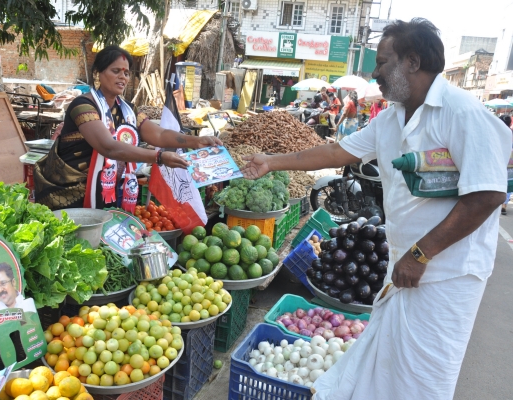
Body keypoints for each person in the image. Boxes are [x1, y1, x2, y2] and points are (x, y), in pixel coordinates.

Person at [241, 18, 510, 399]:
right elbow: (336, 151)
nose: (375, 72)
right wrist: (271, 160)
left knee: (424, 378)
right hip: (403, 266)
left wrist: (421, 254)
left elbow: (486, 195)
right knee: (388, 372)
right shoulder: (391, 118)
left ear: (412, 62)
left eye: (383, 62)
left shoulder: (463, 114)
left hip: (447, 274)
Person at [34, 45, 221, 210]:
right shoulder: (82, 105)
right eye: (116, 71)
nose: (122, 77)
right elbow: (108, 147)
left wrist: (196, 141)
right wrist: (158, 157)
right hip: (71, 192)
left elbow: (159, 134)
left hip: (109, 188)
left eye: (126, 72)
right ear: (98, 72)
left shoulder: (128, 110)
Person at [498, 114, 513, 215]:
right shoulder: (511, 133)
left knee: (499, 183)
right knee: (508, 184)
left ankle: (499, 203)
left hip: (499, 163)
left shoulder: (495, 133)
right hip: (510, 164)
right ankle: (504, 204)